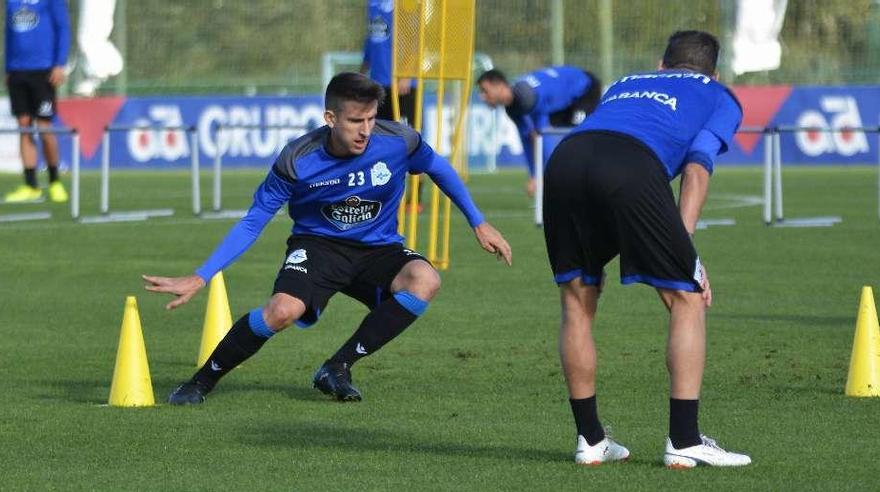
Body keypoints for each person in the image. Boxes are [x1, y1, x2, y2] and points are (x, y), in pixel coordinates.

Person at [144, 72, 511, 405]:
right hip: (318, 247)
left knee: (425, 280)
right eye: (355, 121)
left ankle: (337, 367)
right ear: (330, 119)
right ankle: (200, 381)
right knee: (282, 311)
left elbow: (437, 167)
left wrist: (478, 221)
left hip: (379, 247)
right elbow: (254, 220)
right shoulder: (298, 158)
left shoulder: (398, 140)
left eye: (370, 118)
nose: (365, 130)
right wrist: (202, 275)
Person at [542, 31, 751, 467]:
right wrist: (685, 248)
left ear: (661, 64)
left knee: (577, 301)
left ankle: (591, 440)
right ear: (714, 72)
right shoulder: (719, 94)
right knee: (687, 297)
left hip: (565, 161)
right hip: (630, 166)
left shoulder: (625, 82)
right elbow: (697, 167)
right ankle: (685, 440)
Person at [477, 66, 600, 197]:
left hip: (585, 90)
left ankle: (595, 180)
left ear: (500, 86)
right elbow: (527, 140)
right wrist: (534, 176)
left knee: (578, 137)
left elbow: (542, 136)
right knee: (559, 140)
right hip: (563, 102)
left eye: (485, 91)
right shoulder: (512, 107)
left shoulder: (527, 97)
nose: (482, 96)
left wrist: (545, 178)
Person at [4, 0, 70, 203]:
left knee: (44, 126)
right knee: (23, 125)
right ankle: (30, 184)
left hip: (43, 70)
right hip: (17, 71)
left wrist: (60, 64)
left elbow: (63, 28)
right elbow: (9, 33)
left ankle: (54, 180)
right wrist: (7, 66)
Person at [361, 0, 415, 125]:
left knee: (405, 135)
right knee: (380, 134)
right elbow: (371, 41)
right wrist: (362, 73)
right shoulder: (372, 4)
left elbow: (416, 39)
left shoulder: (407, 4)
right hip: (377, 83)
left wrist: (406, 75)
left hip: (402, 84)